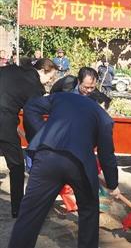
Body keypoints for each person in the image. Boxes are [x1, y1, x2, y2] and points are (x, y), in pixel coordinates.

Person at [8, 92, 120, 248]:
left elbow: (30, 107)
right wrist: (113, 183)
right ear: (102, 104)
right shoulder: (103, 117)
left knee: (30, 213)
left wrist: (43, 134)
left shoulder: (64, 97)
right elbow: (106, 153)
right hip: (79, 164)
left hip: (46, 158)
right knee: (88, 210)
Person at [0, 58, 57, 218]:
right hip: (5, 123)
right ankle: (18, 209)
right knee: (17, 166)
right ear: (43, 70)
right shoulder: (36, 88)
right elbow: (31, 118)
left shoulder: (11, 69)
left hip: (6, 120)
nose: (49, 82)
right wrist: (36, 142)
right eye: (50, 77)